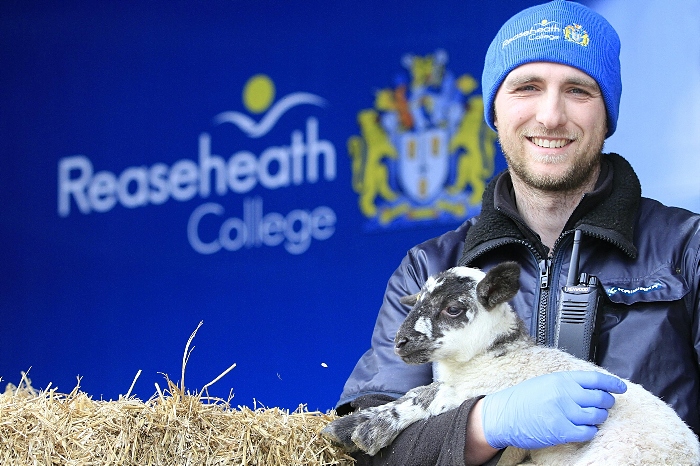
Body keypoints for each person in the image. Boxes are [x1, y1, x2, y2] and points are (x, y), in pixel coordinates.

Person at [334, 1, 700, 465]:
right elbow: (365, 445)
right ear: (494, 110)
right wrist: (485, 424)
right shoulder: (429, 269)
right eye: (527, 87)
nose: (550, 116)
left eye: (578, 90)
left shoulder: (687, 250)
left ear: (607, 114)